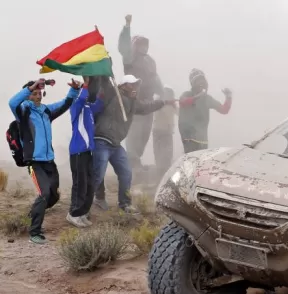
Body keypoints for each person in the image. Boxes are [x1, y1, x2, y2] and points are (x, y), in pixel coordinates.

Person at [8, 78, 82, 244]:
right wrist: (29, 87)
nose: (38, 95)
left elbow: (65, 104)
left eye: (40, 92)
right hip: (34, 162)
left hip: (49, 161)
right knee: (44, 194)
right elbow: (12, 102)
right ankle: (34, 232)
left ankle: (34, 213)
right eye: (34, 93)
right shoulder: (23, 111)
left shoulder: (46, 111)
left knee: (54, 196)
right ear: (28, 96)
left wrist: (75, 90)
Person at [92, 75, 173, 213]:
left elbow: (147, 106)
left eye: (136, 84)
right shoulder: (112, 94)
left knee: (126, 173)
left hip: (115, 144)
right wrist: (107, 67)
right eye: (132, 84)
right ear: (123, 86)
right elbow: (104, 81)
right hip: (102, 140)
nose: (135, 86)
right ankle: (89, 202)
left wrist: (162, 102)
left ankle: (125, 203)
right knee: (97, 174)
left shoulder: (133, 103)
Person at [118, 14, 164, 171]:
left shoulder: (150, 61)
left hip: (148, 102)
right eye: (141, 44)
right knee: (134, 133)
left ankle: (136, 160)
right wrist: (127, 26)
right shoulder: (130, 58)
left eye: (146, 44)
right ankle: (132, 163)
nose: (144, 47)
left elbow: (155, 78)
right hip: (134, 100)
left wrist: (162, 92)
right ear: (135, 45)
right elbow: (123, 47)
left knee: (144, 135)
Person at [67, 76, 103, 228]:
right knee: (79, 184)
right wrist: (85, 85)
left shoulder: (88, 107)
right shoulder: (76, 106)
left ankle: (82, 213)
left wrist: (102, 93)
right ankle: (73, 214)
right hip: (78, 151)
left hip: (88, 151)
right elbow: (81, 98)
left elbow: (98, 106)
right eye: (84, 91)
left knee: (89, 184)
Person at [178, 69, 232, 153]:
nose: (201, 83)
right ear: (192, 83)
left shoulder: (207, 98)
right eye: (198, 80)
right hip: (189, 137)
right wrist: (196, 97)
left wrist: (228, 97)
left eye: (202, 80)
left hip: (203, 140)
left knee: (200, 163)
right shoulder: (187, 94)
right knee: (191, 161)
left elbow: (224, 110)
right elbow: (182, 102)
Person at [152, 85, 178, 177]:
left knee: (166, 154)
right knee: (161, 154)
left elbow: (179, 113)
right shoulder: (159, 103)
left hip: (166, 132)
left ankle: (164, 174)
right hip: (160, 132)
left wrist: (173, 105)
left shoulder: (171, 105)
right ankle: (160, 174)